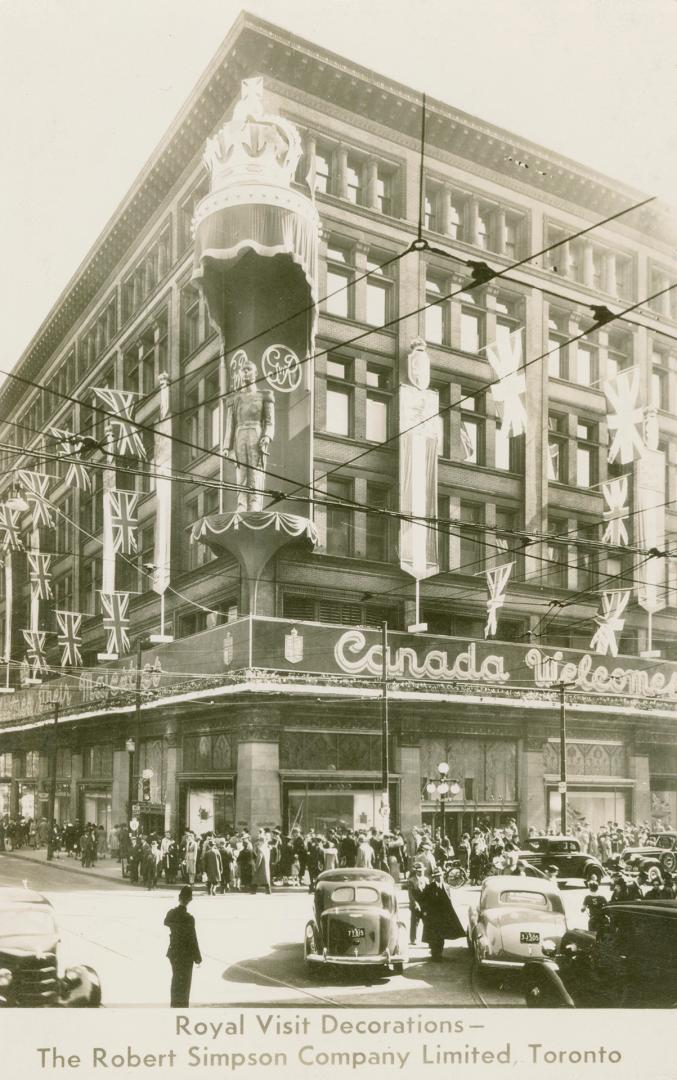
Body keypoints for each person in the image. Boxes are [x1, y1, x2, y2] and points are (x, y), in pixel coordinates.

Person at [223, 355, 275, 511]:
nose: (245, 373)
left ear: (255, 373)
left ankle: (254, 502)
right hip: (240, 434)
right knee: (242, 470)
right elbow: (229, 424)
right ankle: (242, 502)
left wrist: (266, 436)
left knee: (255, 468)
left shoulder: (264, 395)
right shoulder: (235, 398)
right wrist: (227, 446)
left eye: (248, 369)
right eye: (243, 370)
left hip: (256, 432)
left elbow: (270, 421)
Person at [164, 885, 202, 1007]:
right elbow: (192, 939)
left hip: (174, 952)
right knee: (185, 982)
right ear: (190, 900)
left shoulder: (171, 913)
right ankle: (182, 1006)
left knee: (175, 979)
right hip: (186, 955)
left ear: (179, 897)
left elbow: (166, 922)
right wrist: (198, 957)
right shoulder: (189, 919)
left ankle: (173, 1004)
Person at [421, 866, 466, 961]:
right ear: (434, 877)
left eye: (440, 875)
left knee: (442, 936)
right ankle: (435, 955)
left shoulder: (446, 886)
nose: (439, 877)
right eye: (437, 876)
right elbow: (424, 901)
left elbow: (448, 901)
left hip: (443, 916)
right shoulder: (430, 887)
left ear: (442, 875)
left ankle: (439, 954)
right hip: (433, 916)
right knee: (434, 937)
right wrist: (425, 912)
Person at [407, 862, 427, 946]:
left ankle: (428, 939)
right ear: (416, 871)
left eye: (422, 870)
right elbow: (410, 894)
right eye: (419, 871)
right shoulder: (411, 881)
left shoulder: (426, 879)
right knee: (414, 922)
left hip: (424, 904)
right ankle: (413, 939)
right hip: (415, 904)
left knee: (427, 922)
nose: (421, 872)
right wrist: (415, 903)